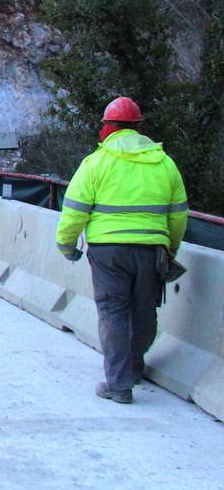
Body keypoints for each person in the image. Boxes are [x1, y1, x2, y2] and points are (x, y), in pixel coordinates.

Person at [55, 96, 189, 405]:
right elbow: (179, 215)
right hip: (152, 249)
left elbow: (74, 210)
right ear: (139, 127)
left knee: (113, 313)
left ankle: (118, 383)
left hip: (108, 252)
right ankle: (134, 367)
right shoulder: (164, 163)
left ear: (107, 128)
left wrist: (66, 245)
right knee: (144, 310)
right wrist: (169, 247)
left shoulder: (96, 163)